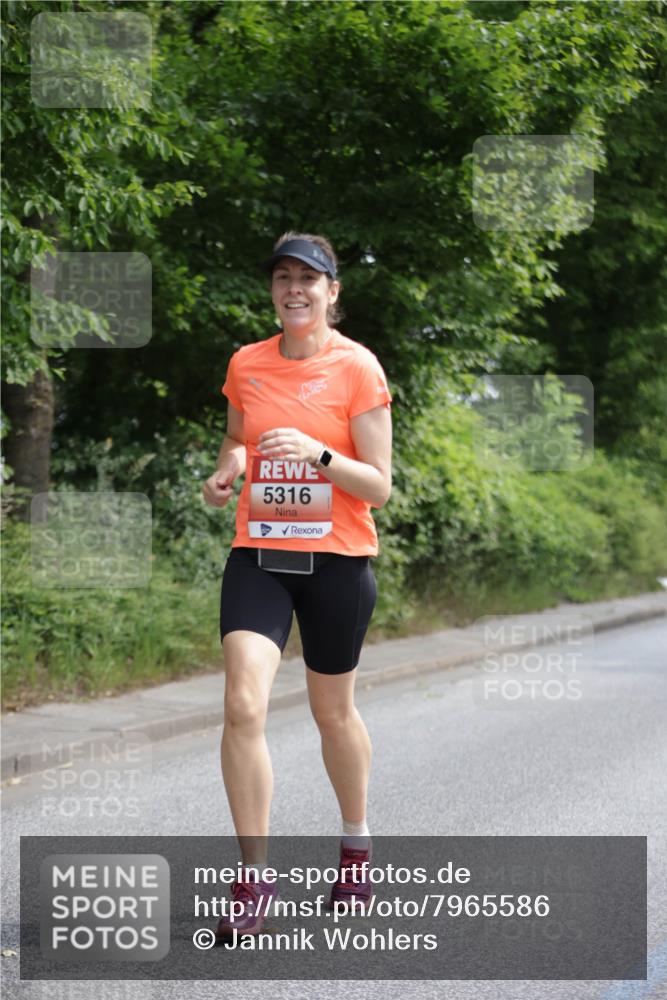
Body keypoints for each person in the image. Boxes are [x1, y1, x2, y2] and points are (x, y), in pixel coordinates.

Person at [202, 232, 392, 939]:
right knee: (242, 703)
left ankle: (354, 847)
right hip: (260, 555)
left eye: (308, 280)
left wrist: (317, 455)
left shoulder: (357, 368)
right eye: (283, 278)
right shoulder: (247, 362)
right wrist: (226, 472)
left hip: (337, 562)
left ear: (331, 292)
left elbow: (378, 485)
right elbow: (235, 438)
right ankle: (252, 879)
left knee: (331, 714)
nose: (294, 289)